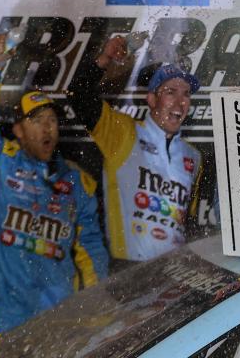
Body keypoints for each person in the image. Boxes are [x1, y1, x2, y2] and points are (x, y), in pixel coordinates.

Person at [0, 33, 108, 334]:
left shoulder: (77, 181)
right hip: (2, 308)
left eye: (52, 120)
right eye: (36, 120)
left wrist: (97, 303)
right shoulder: (0, 163)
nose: (47, 127)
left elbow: (91, 248)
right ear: (17, 129)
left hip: (56, 314)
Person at [67, 35, 203, 264]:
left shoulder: (193, 156)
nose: (180, 102)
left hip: (174, 274)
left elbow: (188, 222)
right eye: (171, 92)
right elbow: (78, 95)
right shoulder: (123, 132)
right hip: (125, 270)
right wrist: (105, 58)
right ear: (151, 99)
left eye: (186, 94)